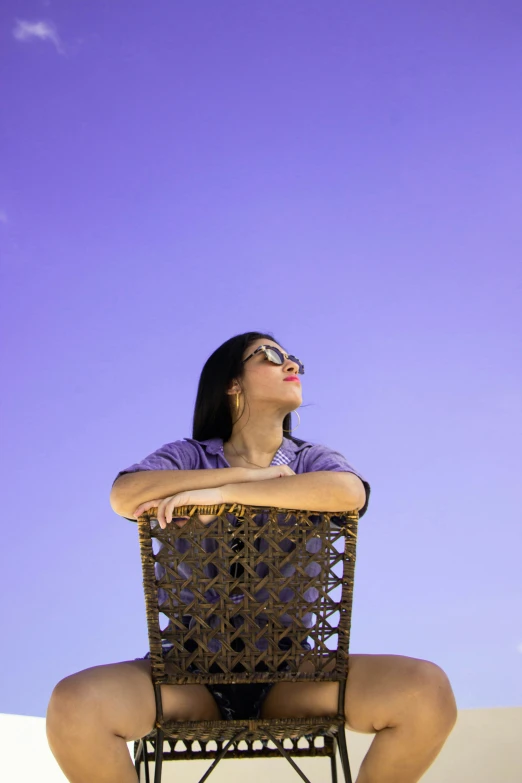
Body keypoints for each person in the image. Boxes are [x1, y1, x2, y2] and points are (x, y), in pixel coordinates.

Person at [46, 332, 457, 783]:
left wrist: (222, 493)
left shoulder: (311, 459)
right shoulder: (188, 456)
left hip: (293, 675)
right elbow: (124, 495)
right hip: (186, 674)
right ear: (232, 384)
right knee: (75, 704)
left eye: (294, 358)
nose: (291, 364)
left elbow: (348, 493)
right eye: (271, 356)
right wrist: (240, 472)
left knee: (427, 693)